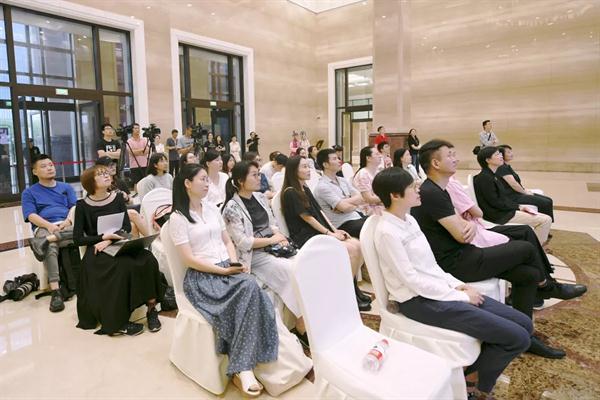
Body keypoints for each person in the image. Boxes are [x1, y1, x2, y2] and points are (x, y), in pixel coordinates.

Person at [411, 139, 586, 359]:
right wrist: (466, 226)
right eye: (450, 155)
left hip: (465, 253)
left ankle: (526, 335)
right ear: (436, 163)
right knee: (525, 248)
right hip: (456, 263)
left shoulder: (439, 189)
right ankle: (547, 286)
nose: (456, 159)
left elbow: (466, 225)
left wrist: (466, 226)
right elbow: (462, 234)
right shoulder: (431, 192)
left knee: (528, 274)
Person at [371, 167, 532, 399]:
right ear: (395, 195)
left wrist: (459, 285)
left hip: (440, 290)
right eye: (412, 187)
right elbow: (412, 281)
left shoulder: (409, 220)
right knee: (517, 338)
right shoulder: (387, 232)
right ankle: (477, 386)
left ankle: (472, 374)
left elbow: (431, 266)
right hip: (418, 301)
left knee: (524, 324)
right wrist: (462, 296)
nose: (418, 190)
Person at [169, 164, 278, 396]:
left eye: (207, 180)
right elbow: (189, 260)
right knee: (250, 287)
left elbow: (228, 242)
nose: (207, 183)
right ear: (187, 183)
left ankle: (241, 366)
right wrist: (222, 272)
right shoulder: (178, 218)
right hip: (202, 276)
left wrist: (233, 264)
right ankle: (244, 368)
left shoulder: (211, 209)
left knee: (249, 287)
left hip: (227, 267)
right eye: (202, 179)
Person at [221, 161, 307, 343]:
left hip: (273, 247)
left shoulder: (260, 197)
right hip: (254, 255)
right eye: (254, 175)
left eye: (259, 173)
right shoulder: (231, 208)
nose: (259, 178)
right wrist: (271, 240)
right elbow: (243, 242)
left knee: (305, 263)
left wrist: (279, 236)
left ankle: (312, 315)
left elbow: (272, 223)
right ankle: (301, 325)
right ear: (241, 181)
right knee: (290, 271)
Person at [74, 165, 163, 336]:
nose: (106, 175)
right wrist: (102, 238)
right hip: (97, 250)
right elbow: (78, 239)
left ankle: (152, 309)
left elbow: (125, 227)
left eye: (106, 173)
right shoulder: (82, 206)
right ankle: (118, 320)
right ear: (90, 182)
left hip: (118, 242)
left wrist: (109, 239)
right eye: (100, 174)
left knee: (148, 259)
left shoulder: (117, 199)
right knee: (121, 267)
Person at [281, 156, 370, 311]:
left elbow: (320, 213)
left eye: (308, 166)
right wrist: (329, 234)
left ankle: (352, 289)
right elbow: (308, 218)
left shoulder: (305, 188)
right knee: (350, 249)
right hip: (305, 236)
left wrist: (335, 230)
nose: (308, 170)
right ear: (293, 171)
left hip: (318, 231)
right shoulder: (290, 192)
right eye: (304, 167)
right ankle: (345, 295)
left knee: (356, 244)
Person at [314, 149, 372, 308]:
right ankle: (351, 290)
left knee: (377, 222)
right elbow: (344, 207)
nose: (339, 160)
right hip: (341, 225)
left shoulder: (342, 180)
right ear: (325, 164)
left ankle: (357, 288)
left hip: (355, 217)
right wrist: (345, 204)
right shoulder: (322, 186)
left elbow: (361, 197)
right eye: (334, 158)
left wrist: (345, 203)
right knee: (373, 229)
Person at [22, 154, 76, 312]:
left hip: (66, 224)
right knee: (51, 246)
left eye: (51, 165)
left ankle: (44, 241)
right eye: (44, 166)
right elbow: (31, 215)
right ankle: (56, 291)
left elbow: (74, 207)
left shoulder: (66, 187)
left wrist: (68, 221)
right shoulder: (29, 192)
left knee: (86, 232)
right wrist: (49, 226)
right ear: (35, 172)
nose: (49, 168)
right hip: (44, 226)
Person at [474, 146, 552, 244]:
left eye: (500, 153)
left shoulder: (491, 175)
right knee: (545, 220)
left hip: (504, 211)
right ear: (488, 160)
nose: (501, 156)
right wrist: (518, 207)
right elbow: (496, 202)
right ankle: (537, 248)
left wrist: (520, 207)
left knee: (544, 217)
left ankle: (534, 247)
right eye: (497, 154)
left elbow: (501, 199)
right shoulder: (485, 178)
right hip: (500, 215)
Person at [497, 145, 554, 221]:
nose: (511, 154)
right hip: (512, 196)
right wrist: (524, 192)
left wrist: (524, 190)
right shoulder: (502, 167)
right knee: (545, 202)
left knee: (549, 200)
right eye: (508, 152)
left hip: (516, 193)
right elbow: (513, 184)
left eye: (511, 151)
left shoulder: (506, 166)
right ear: (501, 155)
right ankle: (544, 222)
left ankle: (547, 223)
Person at [95, 157, 149, 238]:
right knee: (133, 213)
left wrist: (126, 197)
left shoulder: (120, 182)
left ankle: (138, 245)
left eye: (113, 164)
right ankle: (152, 239)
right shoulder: (98, 185)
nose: (113, 167)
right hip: (106, 216)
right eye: (109, 165)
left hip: (121, 214)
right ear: (100, 169)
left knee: (133, 226)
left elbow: (131, 201)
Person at [352, 146, 384, 216]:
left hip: (378, 205)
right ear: (368, 158)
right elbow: (369, 199)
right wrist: (387, 198)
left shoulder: (377, 172)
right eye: (377, 154)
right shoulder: (363, 174)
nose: (380, 156)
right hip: (366, 210)